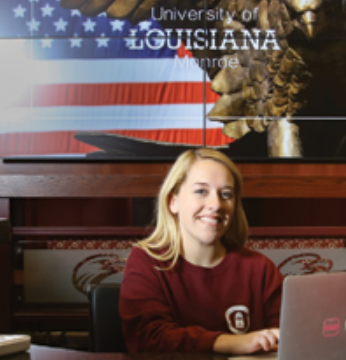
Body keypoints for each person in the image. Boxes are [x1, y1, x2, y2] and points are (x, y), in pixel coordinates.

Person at [119, 148, 283, 354]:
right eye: (201, 191)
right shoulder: (146, 261)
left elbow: (290, 337)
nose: (215, 205)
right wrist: (235, 343)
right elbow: (148, 339)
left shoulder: (260, 268)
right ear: (173, 201)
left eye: (226, 194)